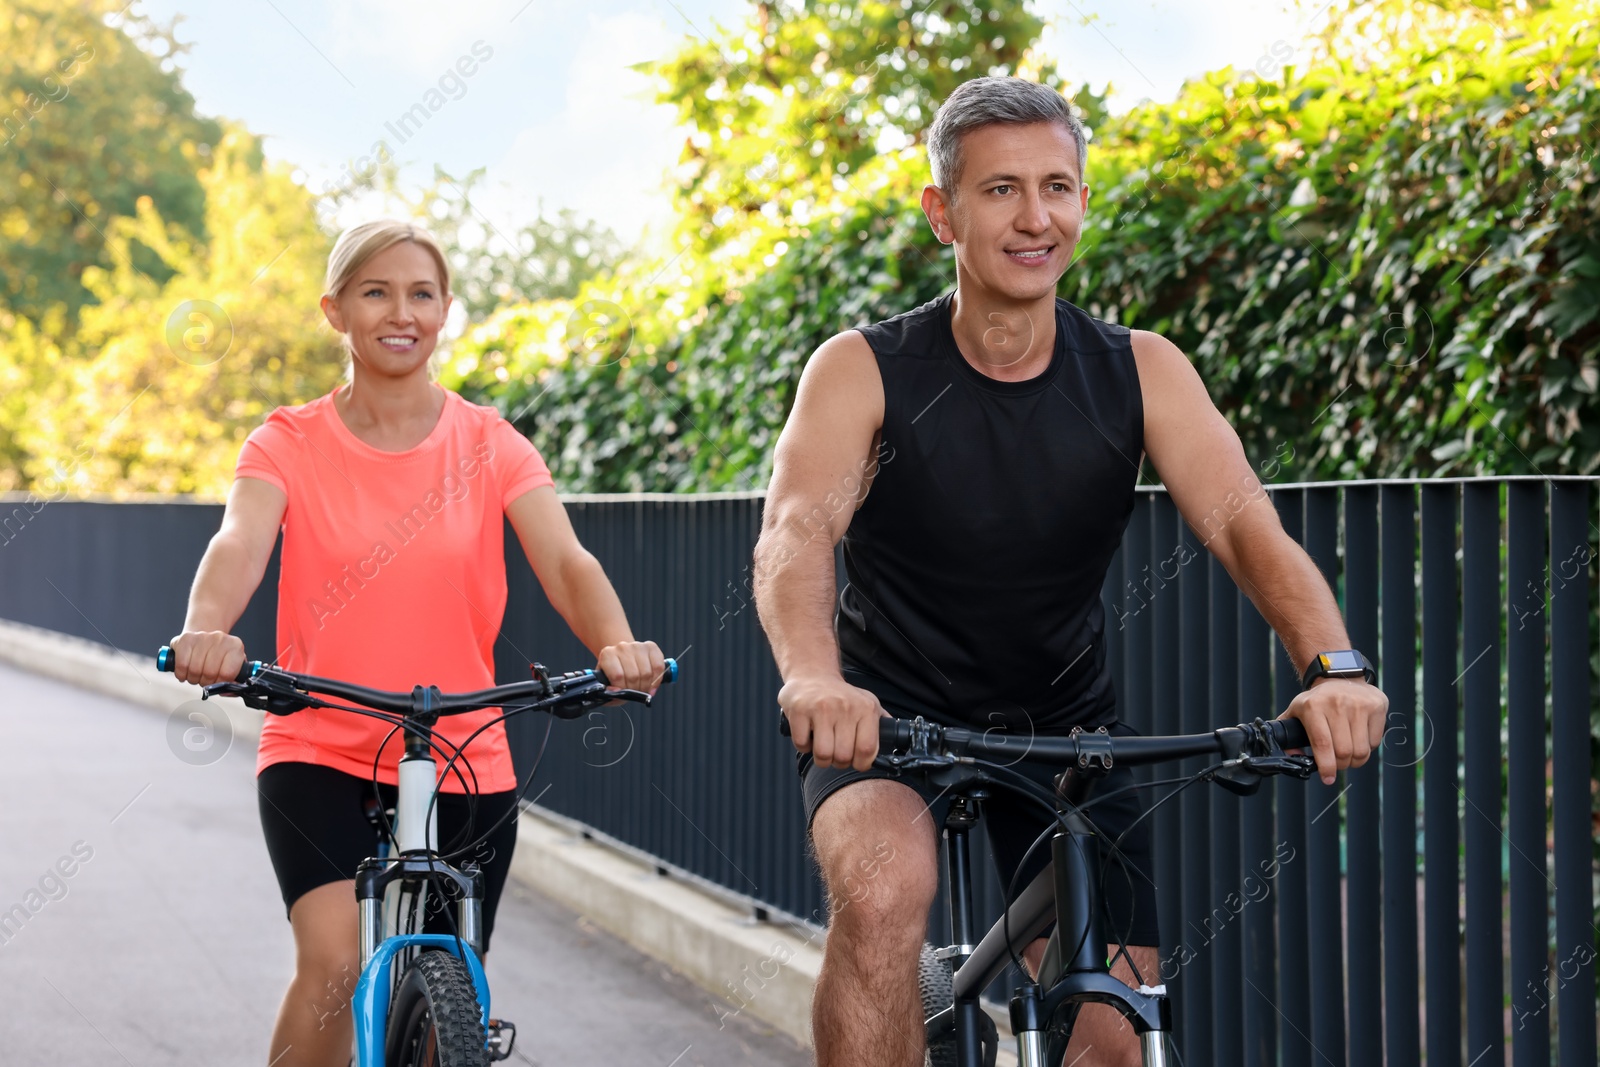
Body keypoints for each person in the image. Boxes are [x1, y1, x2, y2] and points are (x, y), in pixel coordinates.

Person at [752, 77, 1388, 1067]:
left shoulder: (1140, 369)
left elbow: (1245, 526)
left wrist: (1333, 664)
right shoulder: (863, 367)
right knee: (883, 894)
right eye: (1001, 189)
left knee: (1115, 1031)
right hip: (885, 715)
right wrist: (813, 673)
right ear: (942, 212)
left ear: (1083, 201)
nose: (1034, 215)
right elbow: (796, 526)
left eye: (1057, 186)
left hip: (1067, 726)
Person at [166, 219, 665, 1067]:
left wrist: (618, 644)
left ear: (444, 312)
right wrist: (206, 628)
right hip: (320, 737)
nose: (401, 312)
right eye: (376, 291)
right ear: (336, 310)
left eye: (421, 293)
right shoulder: (287, 439)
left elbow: (565, 560)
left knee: (449, 987)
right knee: (333, 965)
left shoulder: (490, 442)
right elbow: (238, 544)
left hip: (464, 743)